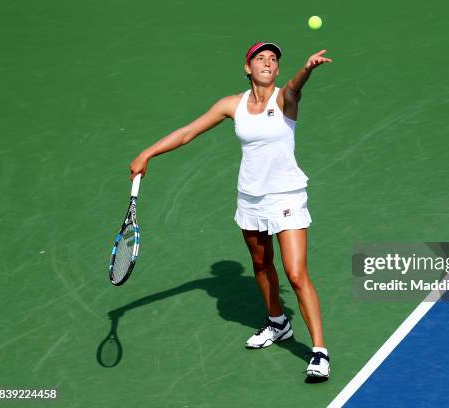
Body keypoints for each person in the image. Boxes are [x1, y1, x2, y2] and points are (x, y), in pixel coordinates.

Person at [130, 42, 332, 379]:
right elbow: (186, 133)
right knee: (260, 263)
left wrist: (307, 69)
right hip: (250, 198)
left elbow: (296, 87)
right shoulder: (231, 105)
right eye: (260, 58)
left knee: (295, 274)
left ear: (278, 71)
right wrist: (147, 154)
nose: (268, 62)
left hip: (286, 197)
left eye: (273, 60)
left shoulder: (286, 99)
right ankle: (277, 322)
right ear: (247, 68)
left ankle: (320, 352)